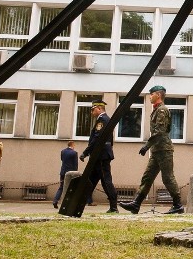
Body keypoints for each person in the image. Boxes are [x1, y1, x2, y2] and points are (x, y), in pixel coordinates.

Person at [119, 86, 184, 214]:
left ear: (158, 95)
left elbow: (159, 131)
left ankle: (178, 205)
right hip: (157, 150)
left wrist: (146, 146)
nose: (150, 97)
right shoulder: (156, 110)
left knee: (168, 178)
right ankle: (136, 204)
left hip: (164, 150)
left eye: (151, 94)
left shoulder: (162, 110)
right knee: (147, 177)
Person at [79, 101, 119, 213]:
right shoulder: (105, 119)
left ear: (99, 108)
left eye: (93, 109)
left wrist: (86, 152)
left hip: (101, 155)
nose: (92, 112)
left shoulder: (102, 120)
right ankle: (79, 202)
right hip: (100, 155)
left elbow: (96, 138)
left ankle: (114, 207)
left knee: (106, 181)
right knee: (90, 180)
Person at [53, 141, 92, 208]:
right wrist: (76, 172)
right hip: (71, 172)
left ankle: (55, 201)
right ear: (73, 145)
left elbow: (62, 160)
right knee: (73, 187)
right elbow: (75, 164)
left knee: (61, 187)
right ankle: (72, 202)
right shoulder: (74, 153)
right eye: (74, 145)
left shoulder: (63, 151)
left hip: (63, 171)